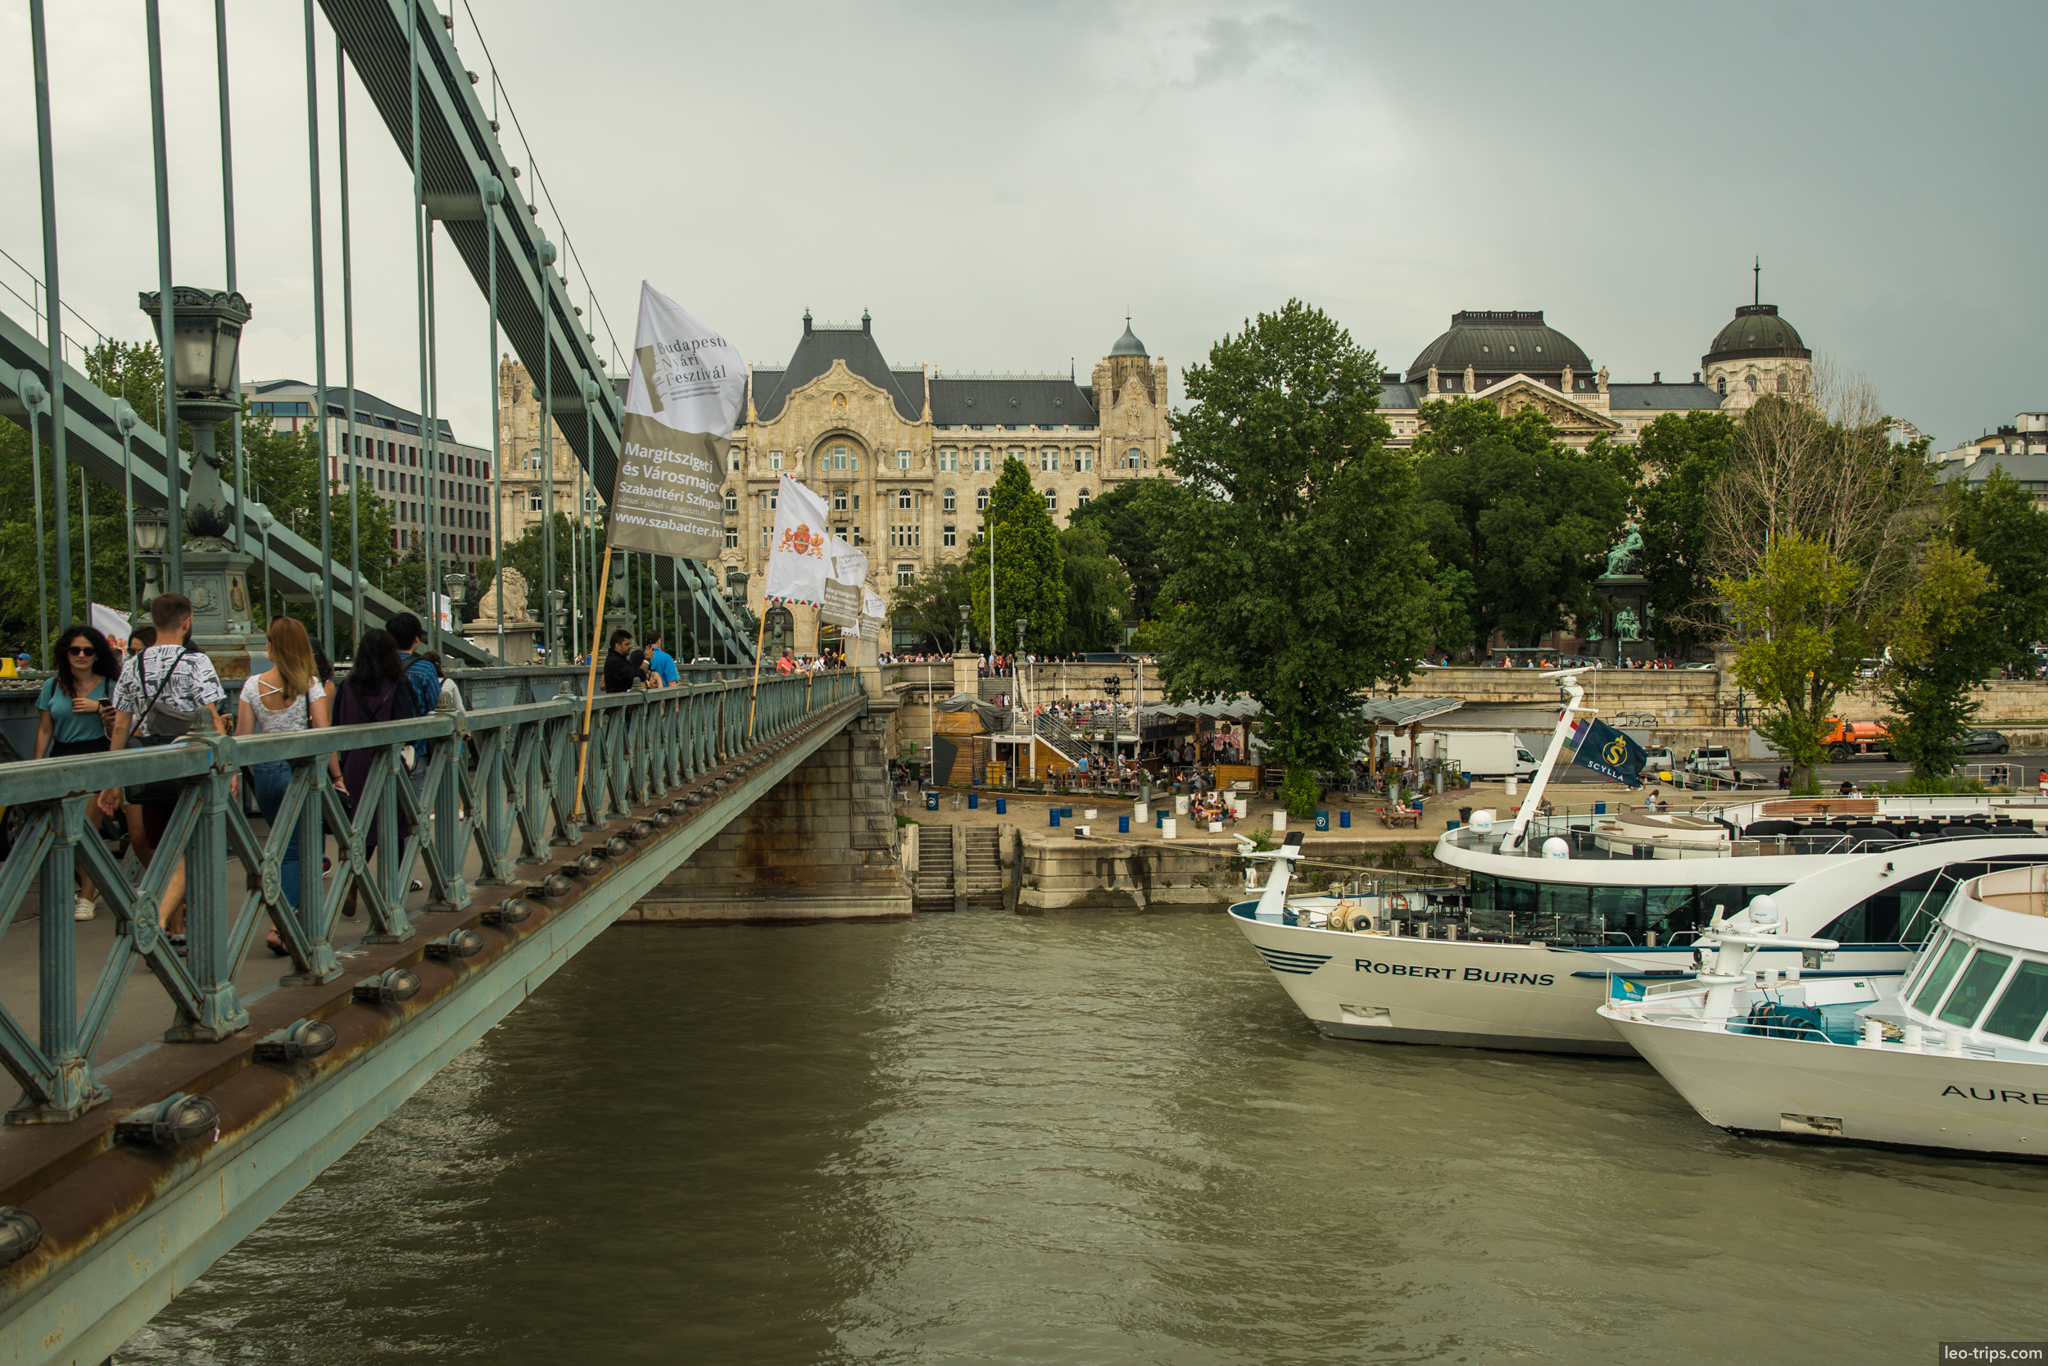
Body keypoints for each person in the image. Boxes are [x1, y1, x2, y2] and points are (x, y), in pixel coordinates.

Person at [97, 593, 227, 949]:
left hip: (151, 767)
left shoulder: (132, 666)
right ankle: (153, 923)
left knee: (166, 850)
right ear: (187, 622)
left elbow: (121, 727)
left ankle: (171, 924)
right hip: (191, 765)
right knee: (194, 849)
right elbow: (212, 719)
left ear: (153, 622)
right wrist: (230, 767)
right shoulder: (195, 661)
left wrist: (111, 782)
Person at [236, 617, 331, 950]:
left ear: (271, 648)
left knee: (279, 848)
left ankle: (293, 918)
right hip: (299, 772)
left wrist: (234, 776)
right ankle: (285, 924)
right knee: (304, 849)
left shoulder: (251, 686)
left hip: (265, 774)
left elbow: (243, 738)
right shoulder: (311, 685)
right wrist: (335, 775)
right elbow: (322, 734)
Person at [329, 629, 419, 917]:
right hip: (389, 762)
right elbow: (408, 729)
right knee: (394, 828)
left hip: (355, 763)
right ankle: (390, 894)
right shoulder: (397, 684)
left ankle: (353, 885)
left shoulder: (346, 686)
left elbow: (338, 725)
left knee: (361, 829)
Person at [36, 624, 120, 920]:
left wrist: (99, 709)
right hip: (62, 757)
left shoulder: (111, 685)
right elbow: (46, 727)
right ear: (66, 653)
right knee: (61, 829)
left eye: (88, 650)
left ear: (98, 655)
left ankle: (87, 897)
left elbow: (119, 728)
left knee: (85, 827)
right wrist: (38, 766)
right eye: (75, 650)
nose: (81, 655)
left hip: (97, 755)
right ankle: (90, 885)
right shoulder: (52, 686)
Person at [386, 613, 443, 803]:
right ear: (416, 639)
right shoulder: (425, 669)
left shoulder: (376, 667)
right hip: (414, 750)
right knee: (412, 810)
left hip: (379, 748)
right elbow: (436, 708)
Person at [602, 629, 642, 693]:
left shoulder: (617, 659)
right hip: (619, 701)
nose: (630, 646)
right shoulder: (615, 662)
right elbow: (635, 676)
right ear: (617, 646)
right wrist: (647, 661)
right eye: (627, 644)